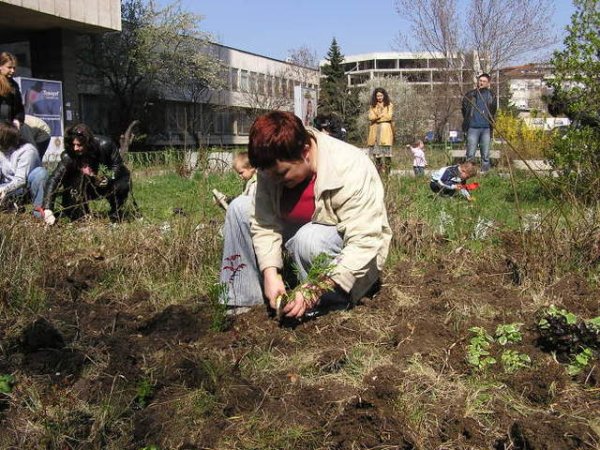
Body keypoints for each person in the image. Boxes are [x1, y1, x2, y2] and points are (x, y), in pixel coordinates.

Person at [219, 111, 391, 318]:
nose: (274, 181)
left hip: (347, 258)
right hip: (296, 244)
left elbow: (365, 242)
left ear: (305, 152)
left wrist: (315, 289)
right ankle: (244, 305)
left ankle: (332, 302)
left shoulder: (350, 165)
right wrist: (270, 273)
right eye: (268, 175)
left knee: (308, 239)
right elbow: (264, 223)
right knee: (239, 208)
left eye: (282, 174)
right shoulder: (272, 166)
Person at [42, 123, 131, 225]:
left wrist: (109, 177)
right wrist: (48, 208)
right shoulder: (69, 156)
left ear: (87, 143)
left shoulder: (106, 145)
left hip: (105, 184)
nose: (75, 148)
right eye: (73, 145)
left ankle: (116, 213)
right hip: (81, 189)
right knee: (78, 217)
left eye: (79, 145)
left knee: (123, 183)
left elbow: (118, 166)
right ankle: (78, 213)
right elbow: (54, 179)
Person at [0, 121, 47, 218]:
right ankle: (10, 208)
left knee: (40, 174)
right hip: (4, 187)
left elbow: (21, 180)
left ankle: (39, 215)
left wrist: (4, 190)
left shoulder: (27, 151)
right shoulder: (2, 150)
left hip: (23, 189)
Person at [462, 73, 497, 173]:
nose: (481, 83)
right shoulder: (471, 94)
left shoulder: (491, 95)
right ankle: (468, 172)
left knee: (485, 154)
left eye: (484, 81)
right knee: (470, 153)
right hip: (473, 128)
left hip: (486, 128)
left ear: (488, 83)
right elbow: (464, 109)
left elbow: (493, 110)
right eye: (480, 80)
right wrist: (469, 120)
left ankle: (485, 172)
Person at [367, 87, 394, 175]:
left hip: (385, 131)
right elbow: (370, 117)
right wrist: (380, 116)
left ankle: (387, 174)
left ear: (384, 95)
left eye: (381, 95)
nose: (379, 97)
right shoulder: (372, 106)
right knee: (377, 155)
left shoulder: (389, 105)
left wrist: (377, 117)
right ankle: (379, 174)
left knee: (387, 155)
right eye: (377, 96)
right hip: (375, 131)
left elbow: (389, 117)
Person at [0, 52, 24, 130]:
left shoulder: (14, 85)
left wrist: (18, 120)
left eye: (14, 68)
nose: (13, 71)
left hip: (10, 128)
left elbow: (19, 108)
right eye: (9, 67)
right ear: (0, 66)